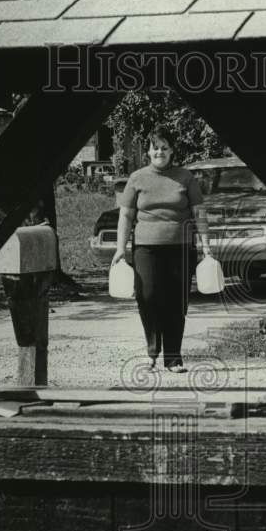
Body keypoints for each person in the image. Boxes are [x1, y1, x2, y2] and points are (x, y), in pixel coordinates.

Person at [112, 127, 211, 372]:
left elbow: (199, 212)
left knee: (176, 302)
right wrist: (120, 248)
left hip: (181, 247)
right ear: (148, 151)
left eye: (164, 148)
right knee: (147, 297)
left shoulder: (185, 177)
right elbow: (126, 215)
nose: (159, 152)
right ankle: (152, 352)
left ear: (172, 150)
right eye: (155, 148)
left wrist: (206, 246)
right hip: (146, 248)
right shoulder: (137, 178)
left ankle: (173, 358)